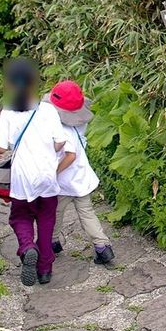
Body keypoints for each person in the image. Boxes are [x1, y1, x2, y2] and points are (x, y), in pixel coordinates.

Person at [0, 58, 65, 286]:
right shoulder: (49, 110)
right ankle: (44, 269)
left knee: (20, 216)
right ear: (35, 82)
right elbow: (60, 142)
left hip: (23, 178)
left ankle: (27, 247)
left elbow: (0, 147)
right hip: (47, 176)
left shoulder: (8, 112)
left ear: (9, 84)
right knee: (46, 221)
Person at [47, 80, 115, 265]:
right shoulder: (79, 125)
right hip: (82, 178)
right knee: (87, 213)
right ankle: (103, 247)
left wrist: (53, 171)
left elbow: (70, 156)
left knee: (55, 213)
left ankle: (51, 243)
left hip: (64, 182)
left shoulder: (62, 130)